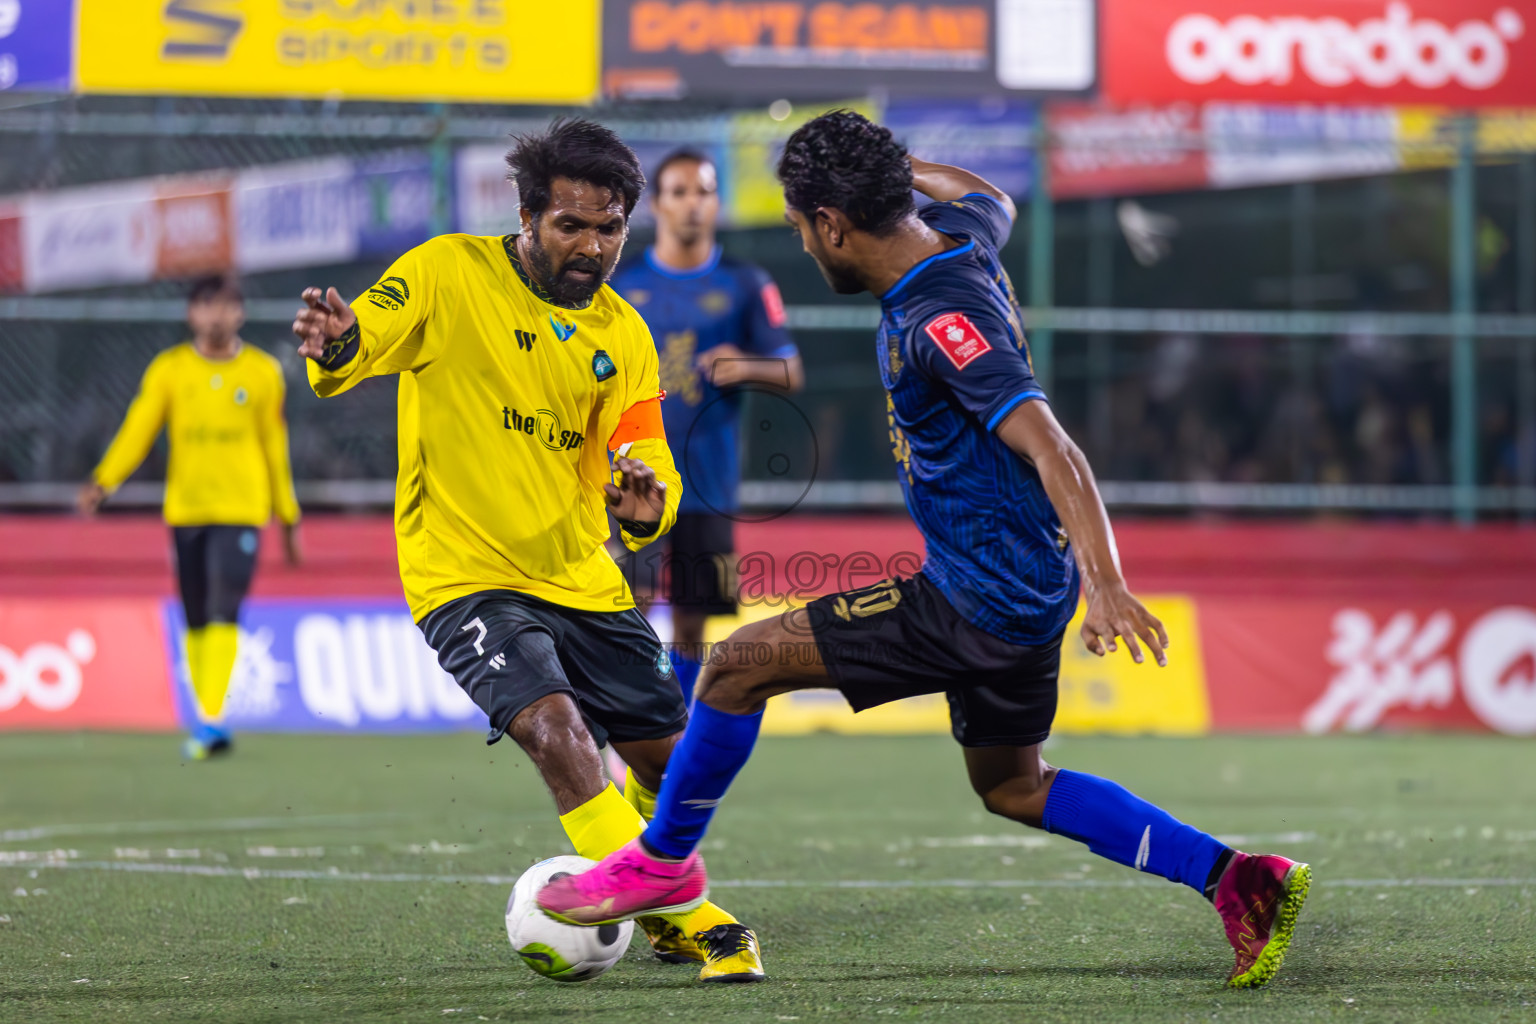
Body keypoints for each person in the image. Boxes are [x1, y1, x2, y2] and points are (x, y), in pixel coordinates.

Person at [540, 111, 1312, 990]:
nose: (804, 243)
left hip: (979, 601)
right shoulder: (961, 235)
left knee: (734, 667)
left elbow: (1053, 444)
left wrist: (1112, 584)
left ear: (832, 223)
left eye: (801, 225)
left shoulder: (941, 322)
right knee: (1014, 786)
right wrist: (884, 166)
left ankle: (663, 862)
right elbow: (989, 195)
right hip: (1029, 586)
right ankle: (1239, 878)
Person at [288, 118, 762, 983]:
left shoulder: (624, 333)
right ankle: (691, 913)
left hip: (583, 573)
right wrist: (341, 337)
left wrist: (648, 503)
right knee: (554, 726)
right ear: (527, 215)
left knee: (672, 760)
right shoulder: (445, 273)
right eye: (570, 225)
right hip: (465, 575)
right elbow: (369, 335)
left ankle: (642, 889)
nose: (591, 246)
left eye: (609, 228)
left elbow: (646, 450)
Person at [79, 273, 302, 761]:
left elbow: (274, 446)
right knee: (197, 615)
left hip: (242, 510)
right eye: (206, 306)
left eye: (225, 305)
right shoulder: (170, 370)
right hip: (186, 510)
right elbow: (139, 429)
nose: (216, 315)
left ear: (239, 313)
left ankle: (210, 719)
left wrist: (287, 515)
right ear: (192, 314)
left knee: (225, 607)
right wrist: (105, 480)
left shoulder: (263, 372)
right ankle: (206, 717)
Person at [608, 148, 802, 699]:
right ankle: (631, 726)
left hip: (709, 485)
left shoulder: (746, 282)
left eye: (703, 191)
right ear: (658, 206)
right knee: (628, 607)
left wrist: (741, 364)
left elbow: (791, 369)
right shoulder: (625, 284)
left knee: (694, 619)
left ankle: (678, 725)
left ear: (717, 202)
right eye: (679, 192)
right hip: (632, 477)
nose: (692, 204)